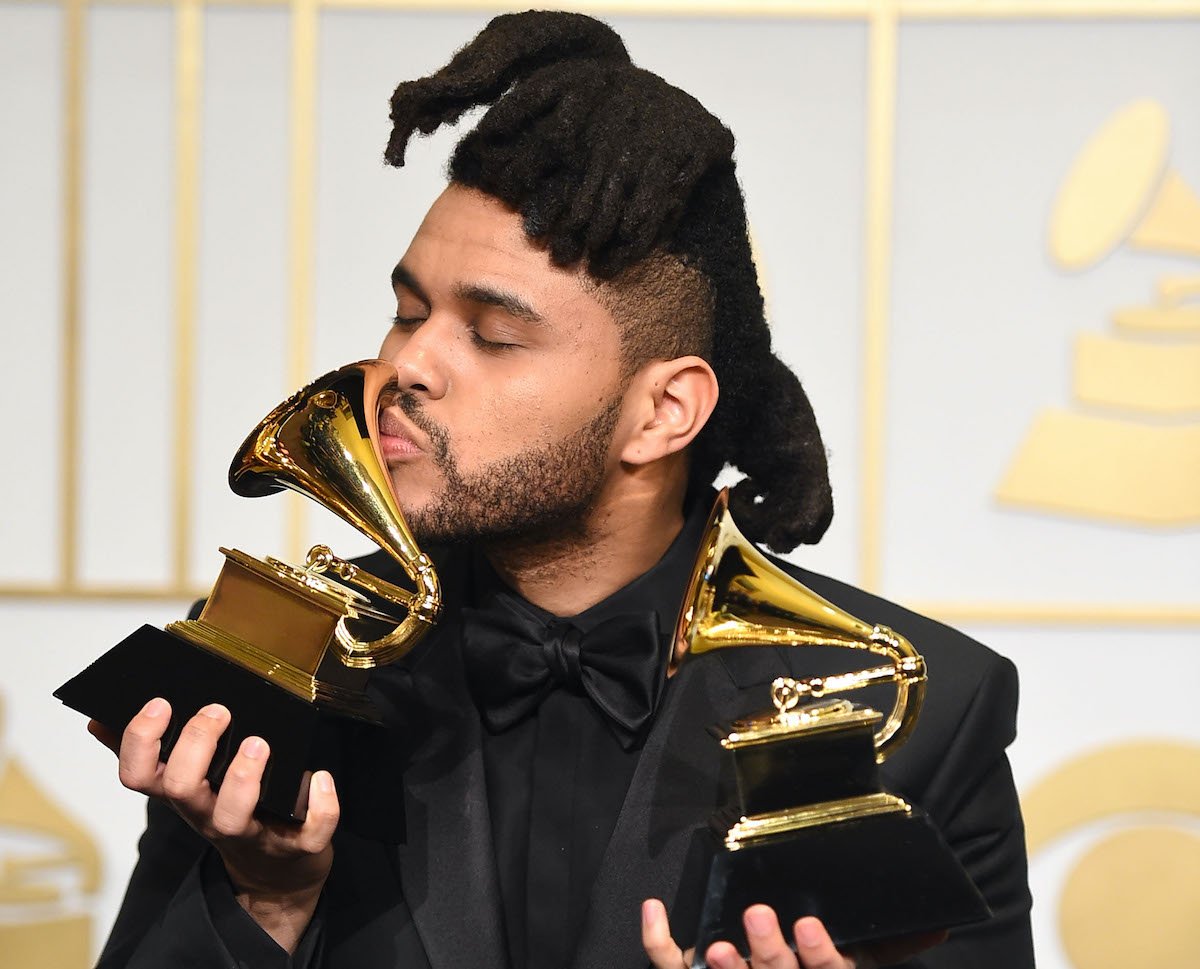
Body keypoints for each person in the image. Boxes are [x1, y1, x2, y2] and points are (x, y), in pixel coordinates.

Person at [90, 11, 1033, 969]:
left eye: (493, 335)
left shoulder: (917, 714)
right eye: (407, 311)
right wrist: (268, 897)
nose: (407, 362)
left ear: (664, 411)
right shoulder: (284, 658)